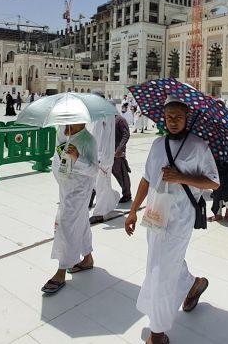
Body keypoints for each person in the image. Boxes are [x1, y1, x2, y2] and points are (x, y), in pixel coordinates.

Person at [125, 97, 219, 344]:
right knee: (159, 260)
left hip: (180, 217)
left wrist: (181, 177)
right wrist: (133, 210)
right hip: (155, 214)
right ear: (163, 119)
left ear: (187, 118)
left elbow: (213, 182)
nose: (174, 121)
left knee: (161, 271)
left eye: (178, 117)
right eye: (169, 117)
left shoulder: (199, 146)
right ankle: (193, 283)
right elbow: (146, 179)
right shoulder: (158, 144)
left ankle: (158, 331)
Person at [42, 122, 98, 295]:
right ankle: (87, 258)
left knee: (66, 225)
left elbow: (94, 170)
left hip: (80, 189)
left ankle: (61, 270)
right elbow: (58, 157)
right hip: (65, 185)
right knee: (80, 221)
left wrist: (77, 158)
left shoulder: (88, 140)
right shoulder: (62, 132)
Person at [89, 92, 119, 224]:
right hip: (98, 155)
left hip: (103, 157)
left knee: (102, 185)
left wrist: (100, 156)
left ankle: (100, 214)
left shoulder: (105, 113)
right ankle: (113, 199)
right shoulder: (101, 112)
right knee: (100, 183)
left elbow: (105, 136)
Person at [113, 111, 132, 203]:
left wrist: (119, 149)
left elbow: (126, 135)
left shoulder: (120, 120)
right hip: (108, 153)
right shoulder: (108, 120)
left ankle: (127, 194)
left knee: (121, 174)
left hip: (118, 153)